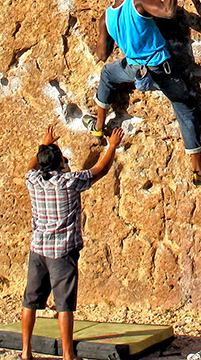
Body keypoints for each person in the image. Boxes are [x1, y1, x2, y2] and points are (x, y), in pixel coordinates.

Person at [84, 0, 201, 187]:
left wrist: (115, 32)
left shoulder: (106, 17)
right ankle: (198, 170)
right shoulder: (136, 0)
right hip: (161, 69)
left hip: (134, 69)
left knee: (108, 73)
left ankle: (99, 125)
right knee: (185, 108)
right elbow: (168, 11)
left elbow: (102, 54)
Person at [21, 123, 124, 360]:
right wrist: (112, 146)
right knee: (64, 305)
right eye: (63, 160)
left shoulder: (33, 180)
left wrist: (45, 145)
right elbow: (100, 169)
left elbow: (31, 167)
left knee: (30, 301)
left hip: (38, 249)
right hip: (62, 252)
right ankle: (68, 355)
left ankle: (26, 353)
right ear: (59, 164)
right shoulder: (69, 183)